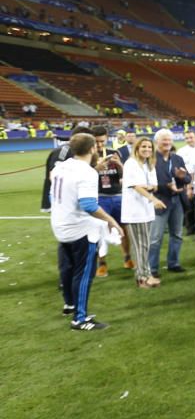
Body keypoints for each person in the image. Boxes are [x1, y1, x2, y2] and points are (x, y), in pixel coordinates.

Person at [49, 133, 124, 330]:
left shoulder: (60, 168)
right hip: (79, 229)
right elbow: (89, 205)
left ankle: (70, 304)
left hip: (60, 224)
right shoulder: (87, 173)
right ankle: (80, 318)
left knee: (67, 268)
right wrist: (111, 220)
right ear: (93, 149)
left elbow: (53, 195)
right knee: (83, 274)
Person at [121, 137, 165, 289]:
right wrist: (153, 199)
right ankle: (142, 278)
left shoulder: (148, 164)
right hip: (135, 211)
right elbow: (137, 187)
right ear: (137, 148)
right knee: (141, 245)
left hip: (145, 210)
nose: (147, 149)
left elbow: (154, 185)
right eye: (143, 147)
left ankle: (146, 275)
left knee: (144, 245)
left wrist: (148, 189)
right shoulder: (131, 164)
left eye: (149, 147)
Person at [149, 128, 191, 277]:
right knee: (155, 238)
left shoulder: (177, 158)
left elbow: (188, 179)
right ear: (156, 142)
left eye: (169, 140)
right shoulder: (151, 158)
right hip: (159, 200)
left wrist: (182, 177)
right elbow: (147, 182)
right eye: (163, 140)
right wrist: (165, 185)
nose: (167, 142)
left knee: (177, 234)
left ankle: (173, 263)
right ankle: (152, 268)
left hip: (177, 201)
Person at [93, 125, 128, 277]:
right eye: (96, 142)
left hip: (118, 196)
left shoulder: (115, 153)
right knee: (100, 231)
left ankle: (127, 257)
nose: (100, 145)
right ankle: (102, 263)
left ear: (107, 138)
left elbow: (125, 175)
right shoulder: (89, 156)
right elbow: (83, 177)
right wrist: (96, 168)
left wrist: (120, 164)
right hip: (99, 197)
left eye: (102, 141)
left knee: (124, 229)